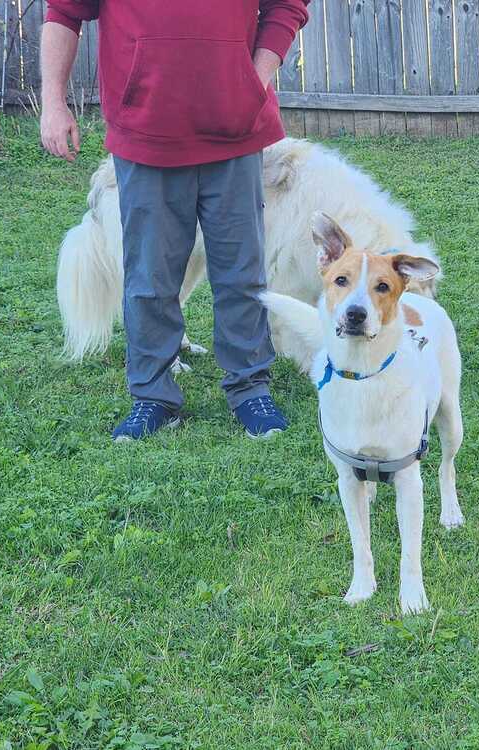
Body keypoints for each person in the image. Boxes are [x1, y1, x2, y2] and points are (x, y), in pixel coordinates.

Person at [40, 1, 309, 441]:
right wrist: (53, 103)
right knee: (150, 276)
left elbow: (286, 6)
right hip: (146, 130)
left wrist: (254, 82)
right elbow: (63, 12)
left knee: (241, 270)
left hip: (236, 130)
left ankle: (250, 390)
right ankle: (152, 395)